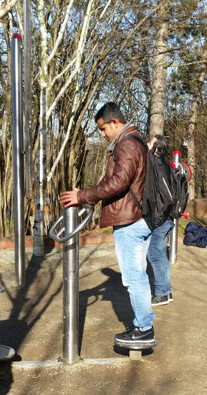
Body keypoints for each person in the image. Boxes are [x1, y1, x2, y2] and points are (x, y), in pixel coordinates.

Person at [60, 103, 156, 346]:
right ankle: (143, 325)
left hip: (130, 220)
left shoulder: (128, 144)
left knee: (134, 277)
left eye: (103, 128)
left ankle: (144, 328)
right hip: (138, 217)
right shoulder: (135, 142)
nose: (102, 134)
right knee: (138, 275)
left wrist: (83, 196)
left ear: (115, 122)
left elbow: (119, 182)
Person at [146, 135, 174, 306]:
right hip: (165, 218)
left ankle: (162, 293)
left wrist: (158, 217)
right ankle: (166, 292)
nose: (147, 145)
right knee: (160, 254)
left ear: (156, 149)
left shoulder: (158, 165)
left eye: (149, 143)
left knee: (156, 256)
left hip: (161, 219)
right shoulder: (165, 164)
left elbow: (168, 196)